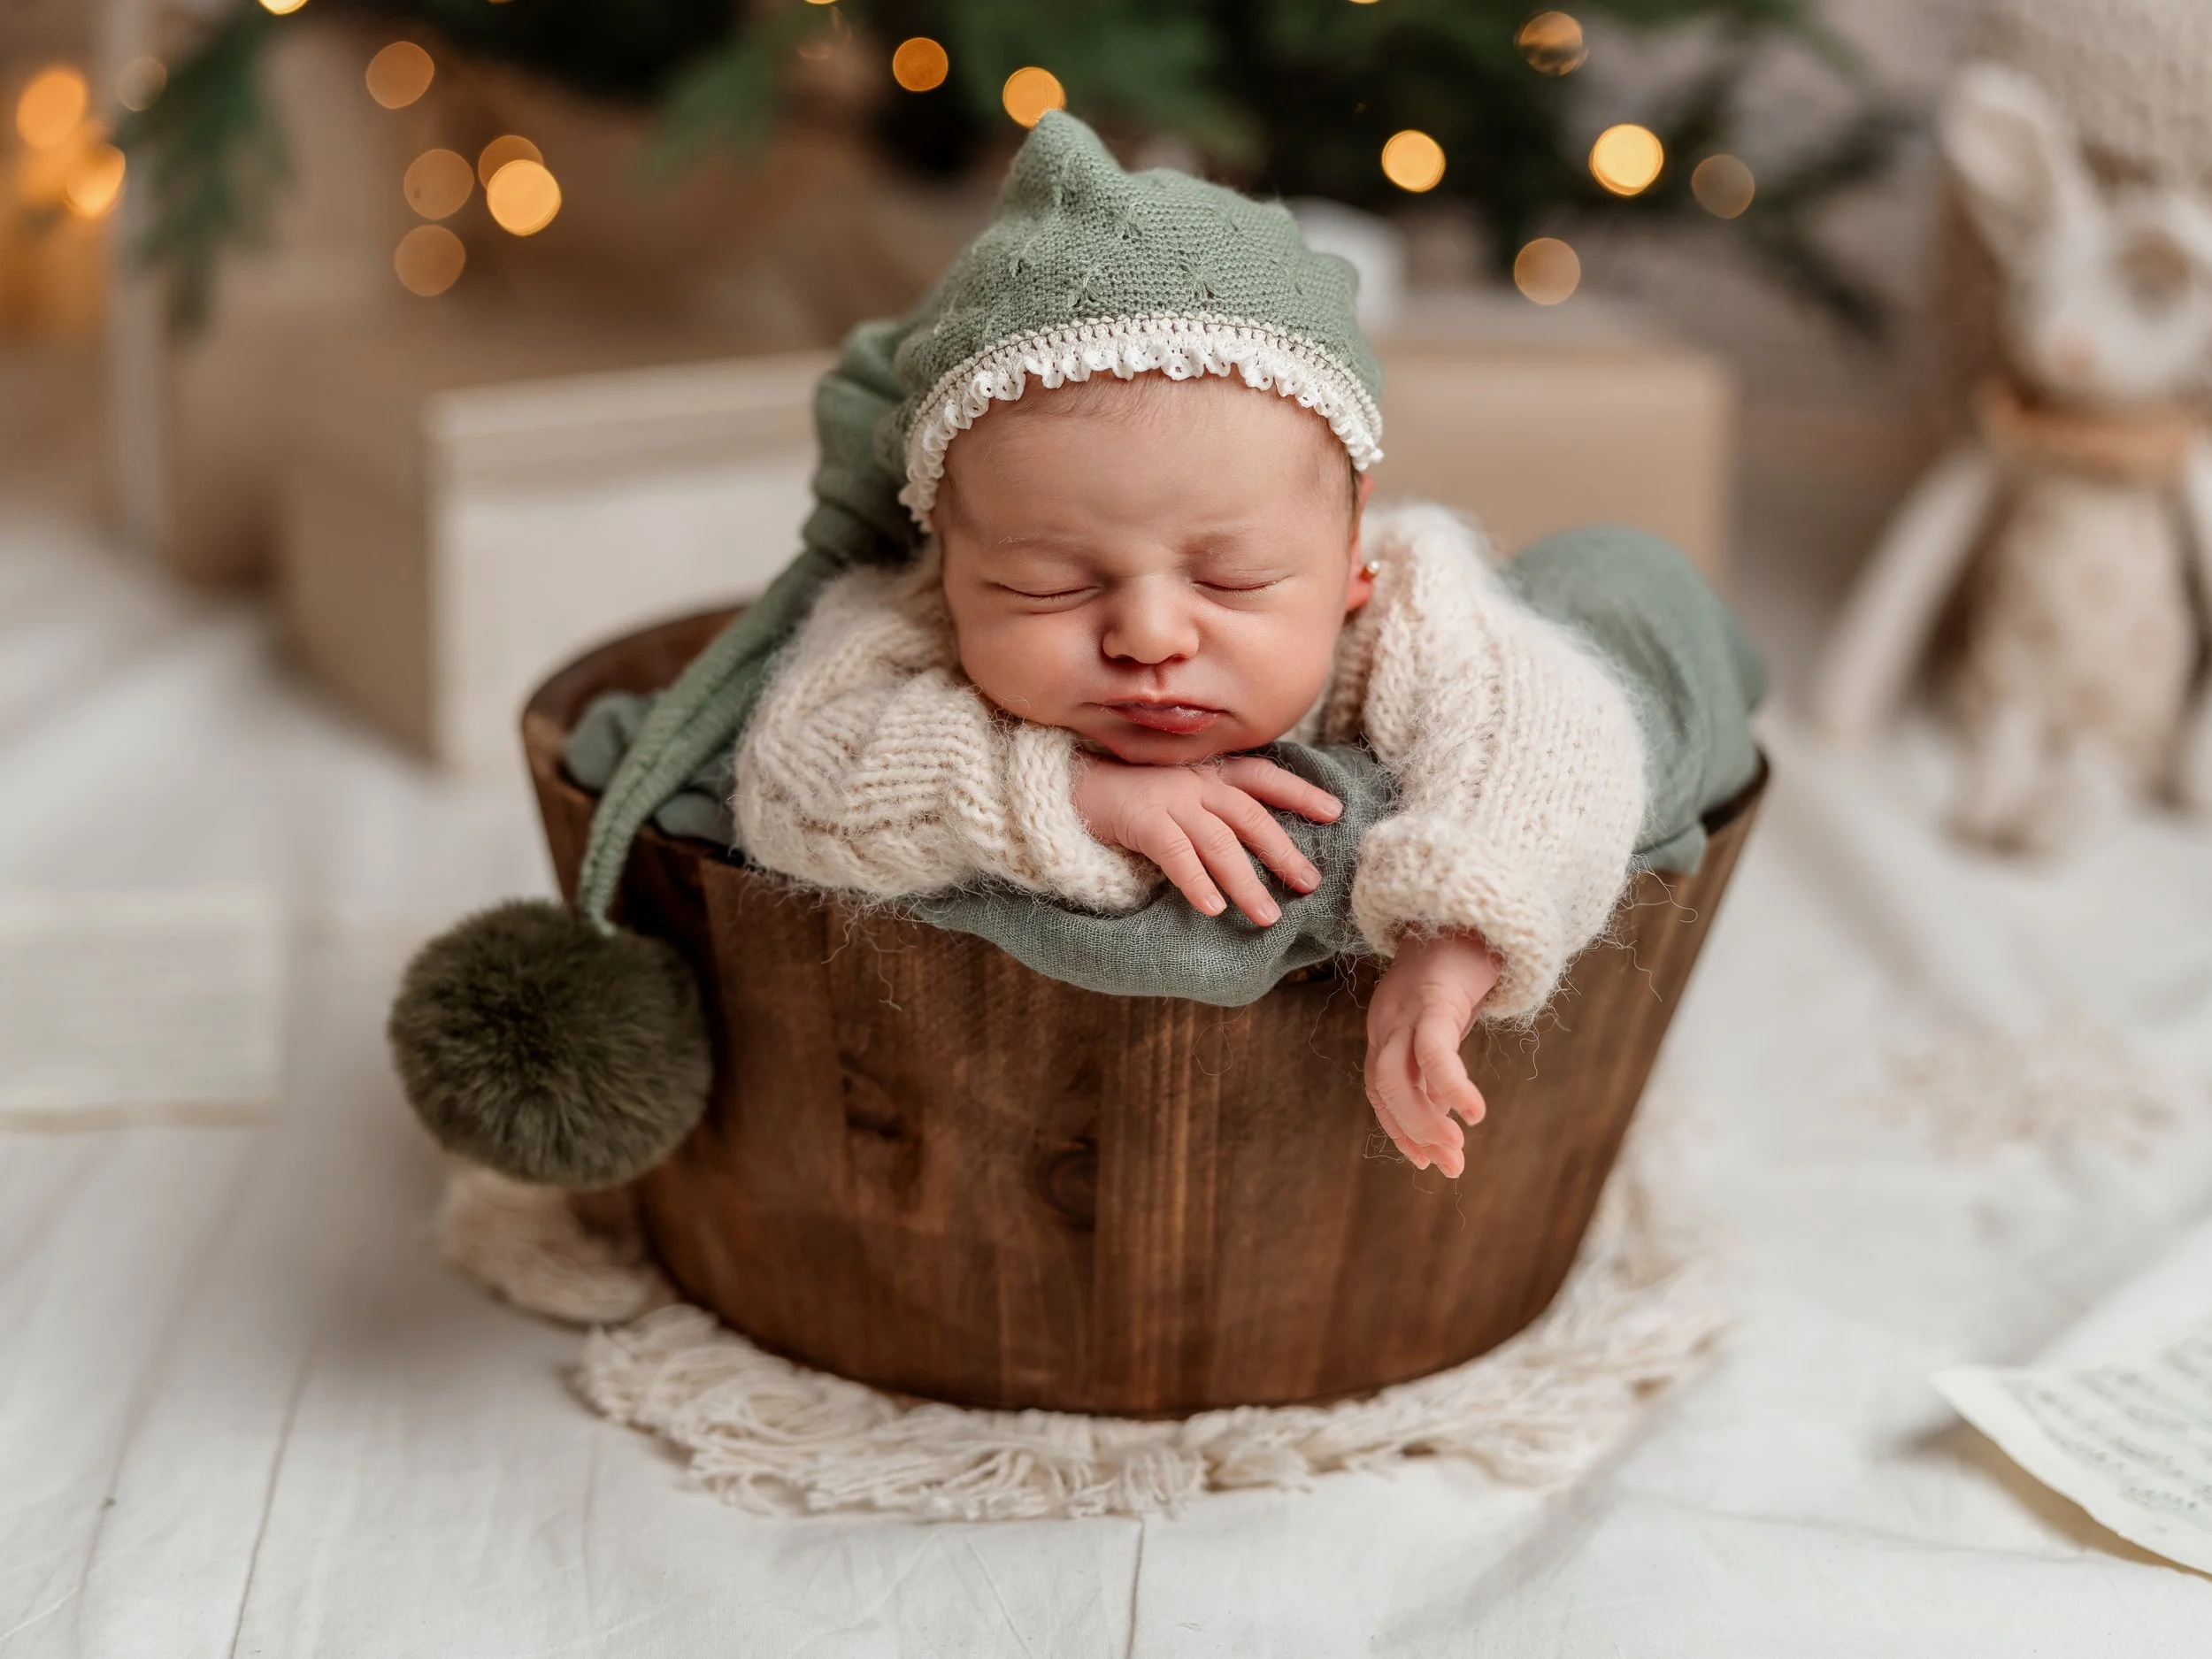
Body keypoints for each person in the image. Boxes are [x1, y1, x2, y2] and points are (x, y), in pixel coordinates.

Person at [565, 111, 1763, 1181]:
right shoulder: (909, 615)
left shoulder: (1406, 602)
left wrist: (1453, 942)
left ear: (1350, 558)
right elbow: (796, 771)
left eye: (1233, 579)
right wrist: (1069, 794)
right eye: (1047, 584)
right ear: (950, 560)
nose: (1147, 634)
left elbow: (1547, 738)